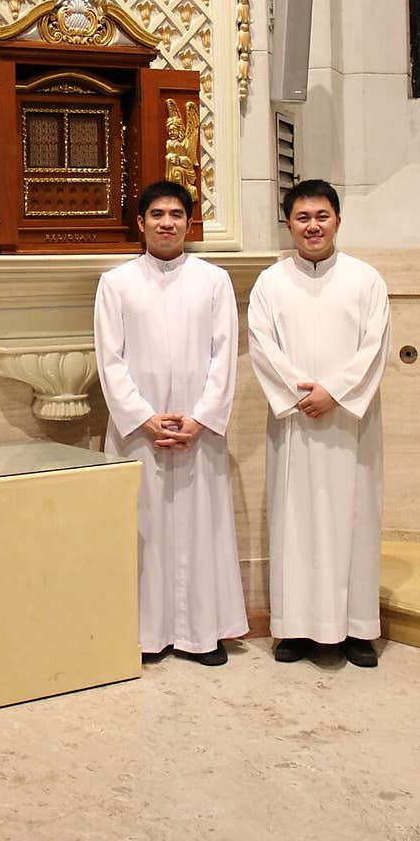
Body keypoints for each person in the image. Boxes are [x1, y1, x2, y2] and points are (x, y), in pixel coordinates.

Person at [94, 180, 247, 666]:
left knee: (202, 530)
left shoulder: (213, 279)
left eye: (176, 214)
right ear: (140, 223)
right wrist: (144, 419)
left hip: (197, 433)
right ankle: (145, 635)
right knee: (144, 529)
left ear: (188, 222)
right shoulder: (116, 283)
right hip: (142, 433)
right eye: (157, 214)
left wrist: (201, 418)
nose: (166, 222)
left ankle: (203, 634)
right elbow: (110, 360)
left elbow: (225, 355)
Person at [247, 179, 391, 668]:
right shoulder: (271, 282)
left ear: (338, 220)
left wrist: (335, 393)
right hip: (295, 424)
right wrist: (299, 393)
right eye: (303, 217)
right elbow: (262, 346)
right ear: (287, 223)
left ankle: (356, 630)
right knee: (295, 520)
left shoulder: (365, 279)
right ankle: (295, 628)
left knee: (354, 518)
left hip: (350, 423)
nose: (313, 226)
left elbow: (374, 346)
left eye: (322, 216)